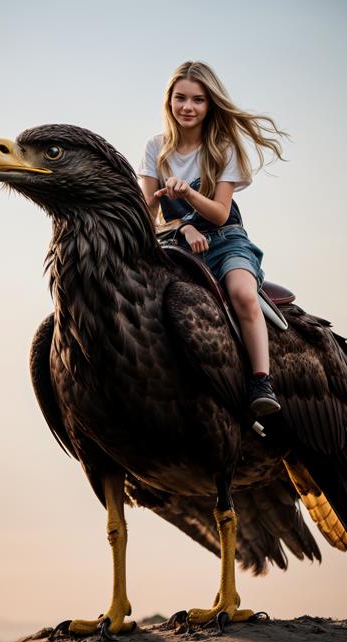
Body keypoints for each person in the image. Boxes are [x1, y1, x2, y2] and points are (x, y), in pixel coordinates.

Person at [138, 60, 286, 416]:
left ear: (210, 105)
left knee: (242, 294)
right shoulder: (155, 149)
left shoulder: (222, 149)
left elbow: (220, 212)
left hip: (226, 240)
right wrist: (181, 228)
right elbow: (146, 218)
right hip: (176, 247)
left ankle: (260, 382)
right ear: (169, 101)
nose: (187, 107)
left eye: (198, 100)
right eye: (180, 98)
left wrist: (187, 194)